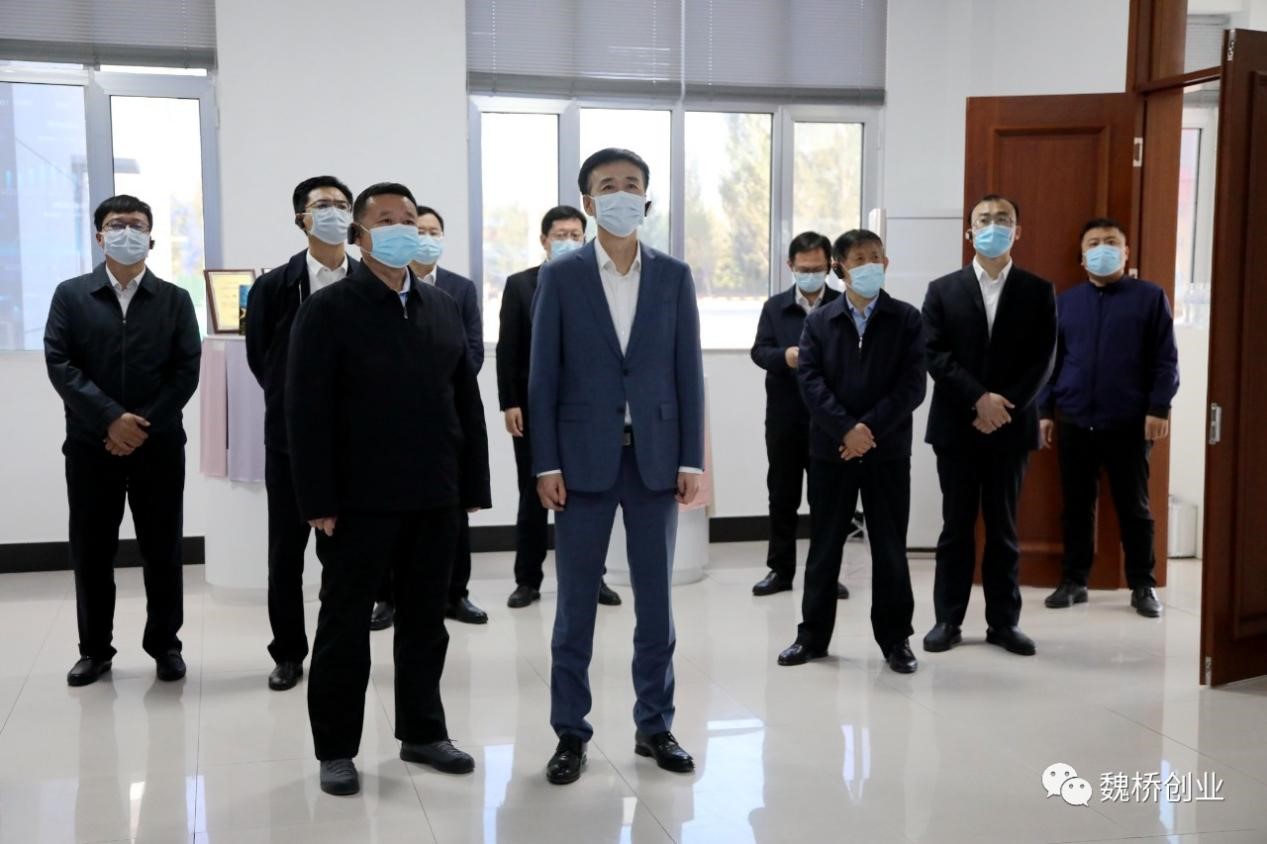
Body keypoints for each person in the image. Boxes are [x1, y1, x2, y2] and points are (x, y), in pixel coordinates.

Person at [286, 182, 491, 796]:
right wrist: (317, 500)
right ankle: (336, 749)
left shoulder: (442, 306)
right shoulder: (327, 310)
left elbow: (465, 401)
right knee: (344, 626)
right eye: (386, 220)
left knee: (426, 621)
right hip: (358, 500)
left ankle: (423, 732)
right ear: (360, 234)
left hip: (435, 493)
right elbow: (306, 411)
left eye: (410, 219)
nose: (403, 229)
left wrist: (471, 483)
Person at [530, 148, 705, 785]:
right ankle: (570, 733)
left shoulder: (674, 275)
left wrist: (691, 457)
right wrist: (545, 463)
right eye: (609, 185)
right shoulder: (563, 275)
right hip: (581, 464)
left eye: (632, 184)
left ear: (647, 200)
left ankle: (654, 725)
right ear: (589, 201)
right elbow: (543, 376)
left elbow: (688, 371)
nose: (622, 194)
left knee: (656, 606)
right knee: (576, 606)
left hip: (655, 461)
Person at [44, 194, 200, 687]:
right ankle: (94, 650)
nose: (126, 232)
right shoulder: (71, 295)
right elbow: (61, 364)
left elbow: (186, 370)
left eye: (136, 225)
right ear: (99, 236)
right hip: (91, 446)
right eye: (116, 224)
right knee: (92, 551)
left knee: (163, 550)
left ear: (151, 239)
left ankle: (166, 646)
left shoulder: (175, 299)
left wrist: (138, 426)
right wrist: (110, 419)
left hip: (159, 446)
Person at [777, 229, 925, 673]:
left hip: (887, 451)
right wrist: (845, 429)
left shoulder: (906, 318)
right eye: (859, 259)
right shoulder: (820, 321)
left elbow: (912, 385)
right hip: (832, 452)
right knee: (824, 547)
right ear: (840, 268)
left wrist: (868, 429)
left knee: (890, 548)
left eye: (876, 257)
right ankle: (812, 636)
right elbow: (810, 381)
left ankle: (896, 639)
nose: (870, 265)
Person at [922, 194, 1057, 657]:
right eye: (984, 219)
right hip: (956, 427)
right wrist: (978, 399)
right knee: (955, 528)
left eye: (1003, 219)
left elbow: (1044, 359)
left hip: (1011, 428)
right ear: (970, 231)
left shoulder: (1038, 290)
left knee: (1003, 529)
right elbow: (934, 354)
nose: (993, 226)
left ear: (1017, 231)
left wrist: (1004, 406)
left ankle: (1004, 623)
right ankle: (947, 620)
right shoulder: (942, 289)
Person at [245, 175, 358, 692]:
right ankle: (288, 651)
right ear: (302, 218)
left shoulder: (368, 279)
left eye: (342, 204)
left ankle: (340, 650)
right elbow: (261, 360)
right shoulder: (274, 286)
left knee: (345, 557)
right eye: (323, 205)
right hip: (290, 442)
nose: (335, 212)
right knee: (285, 555)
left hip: (355, 446)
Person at [1039, 218, 1179, 617]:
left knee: (1134, 507)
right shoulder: (1066, 302)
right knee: (1076, 505)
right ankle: (1074, 580)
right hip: (1074, 418)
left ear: (1125, 251)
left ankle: (1142, 584)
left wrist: (1159, 407)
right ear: (1083, 256)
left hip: (1129, 422)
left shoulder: (1150, 298)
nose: (1103, 248)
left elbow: (1165, 359)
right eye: (1094, 243)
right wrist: (1045, 412)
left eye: (1111, 242)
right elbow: (1051, 363)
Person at [497, 206, 622, 609]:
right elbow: (509, 349)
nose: (568, 241)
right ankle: (527, 580)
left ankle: (594, 578)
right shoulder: (520, 285)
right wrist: (509, 402)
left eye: (575, 234)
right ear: (544, 240)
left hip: (585, 411)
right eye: (560, 234)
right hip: (533, 409)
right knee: (532, 494)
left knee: (589, 496)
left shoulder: (597, 283)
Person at [370, 205, 489, 629]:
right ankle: (387, 597)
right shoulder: (377, 288)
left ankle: (456, 594)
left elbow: (471, 348)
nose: (424, 237)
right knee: (390, 515)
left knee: (452, 514)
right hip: (392, 423)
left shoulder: (459, 289)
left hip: (446, 415)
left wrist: (443, 383)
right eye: (417, 229)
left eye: (433, 230)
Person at [750, 231, 848, 600]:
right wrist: (786, 357)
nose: (810, 275)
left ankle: (826, 574)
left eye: (817, 269)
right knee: (782, 495)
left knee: (827, 500)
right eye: (804, 269)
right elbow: (759, 351)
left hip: (829, 420)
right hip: (785, 418)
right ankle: (780, 569)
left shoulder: (843, 304)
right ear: (790, 266)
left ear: (829, 267)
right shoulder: (775, 307)